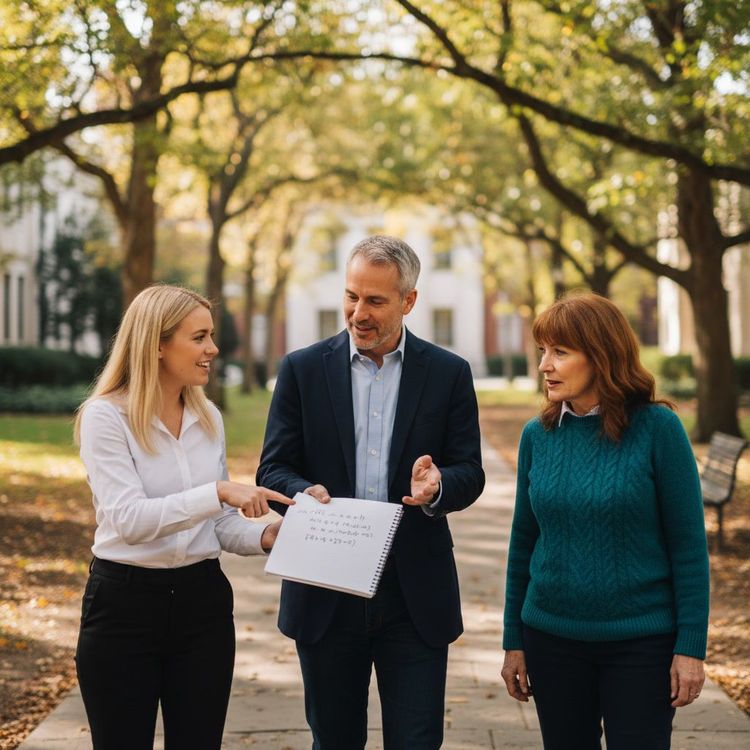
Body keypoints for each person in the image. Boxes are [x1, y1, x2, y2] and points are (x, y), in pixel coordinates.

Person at [256, 235, 485, 749]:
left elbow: (470, 471)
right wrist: (302, 491)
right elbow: (272, 468)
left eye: (375, 301)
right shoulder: (301, 370)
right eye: (351, 296)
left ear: (408, 302)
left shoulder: (449, 374)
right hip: (325, 593)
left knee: (417, 740)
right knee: (334, 740)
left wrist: (438, 486)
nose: (358, 312)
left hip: (414, 597)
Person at [73, 284, 292, 750]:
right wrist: (216, 492)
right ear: (156, 343)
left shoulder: (207, 416)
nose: (213, 348)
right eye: (199, 337)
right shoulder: (105, 418)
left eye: (211, 336)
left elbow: (215, 526)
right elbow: (128, 520)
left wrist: (268, 536)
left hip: (203, 607)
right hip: (123, 609)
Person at [501, 293, 710, 750]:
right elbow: (523, 543)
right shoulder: (538, 436)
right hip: (551, 639)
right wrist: (513, 640)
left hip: (641, 642)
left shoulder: (658, 430)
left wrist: (691, 646)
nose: (544, 366)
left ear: (601, 355)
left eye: (560, 352)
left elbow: (689, 547)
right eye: (542, 351)